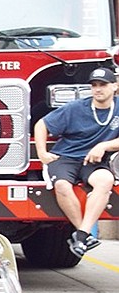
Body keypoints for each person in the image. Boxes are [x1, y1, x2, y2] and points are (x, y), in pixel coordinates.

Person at [34, 66, 119, 256]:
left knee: (105, 181)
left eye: (103, 85)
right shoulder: (76, 107)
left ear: (114, 86)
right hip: (66, 157)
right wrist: (42, 153)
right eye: (94, 85)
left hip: (94, 160)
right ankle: (83, 234)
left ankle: (80, 235)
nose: (98, 89)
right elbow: (42, 124)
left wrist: (104, 146)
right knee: (63, 186)